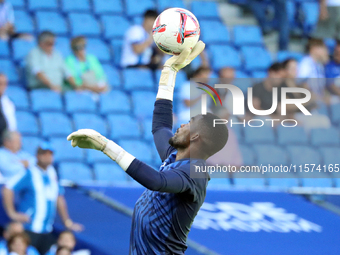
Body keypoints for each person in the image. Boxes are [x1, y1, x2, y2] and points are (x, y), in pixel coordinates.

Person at [67, 41, 229, 254]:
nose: (181, 125)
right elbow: (160, 126)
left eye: (189, 123)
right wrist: (169, 72)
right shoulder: (175, 157)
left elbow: (156, 181)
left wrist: (106, 146)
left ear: (197, 136)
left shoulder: (195, 174)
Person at [2, 142, 83, 255]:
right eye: (44, 154)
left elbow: (59, 197)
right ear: (38, 155)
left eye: (50, 154)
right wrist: (12, 214)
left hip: (46, 230)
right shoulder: (29, 173)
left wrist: (67, 221)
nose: (47, 157)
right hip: (29, 228)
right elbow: (8, 189)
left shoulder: (52, 173)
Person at [0, 73, 17, 145]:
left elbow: (12, 126)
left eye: (4, 84)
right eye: (0, 83)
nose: (2, 87)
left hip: (6, 141)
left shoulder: (8, 102)